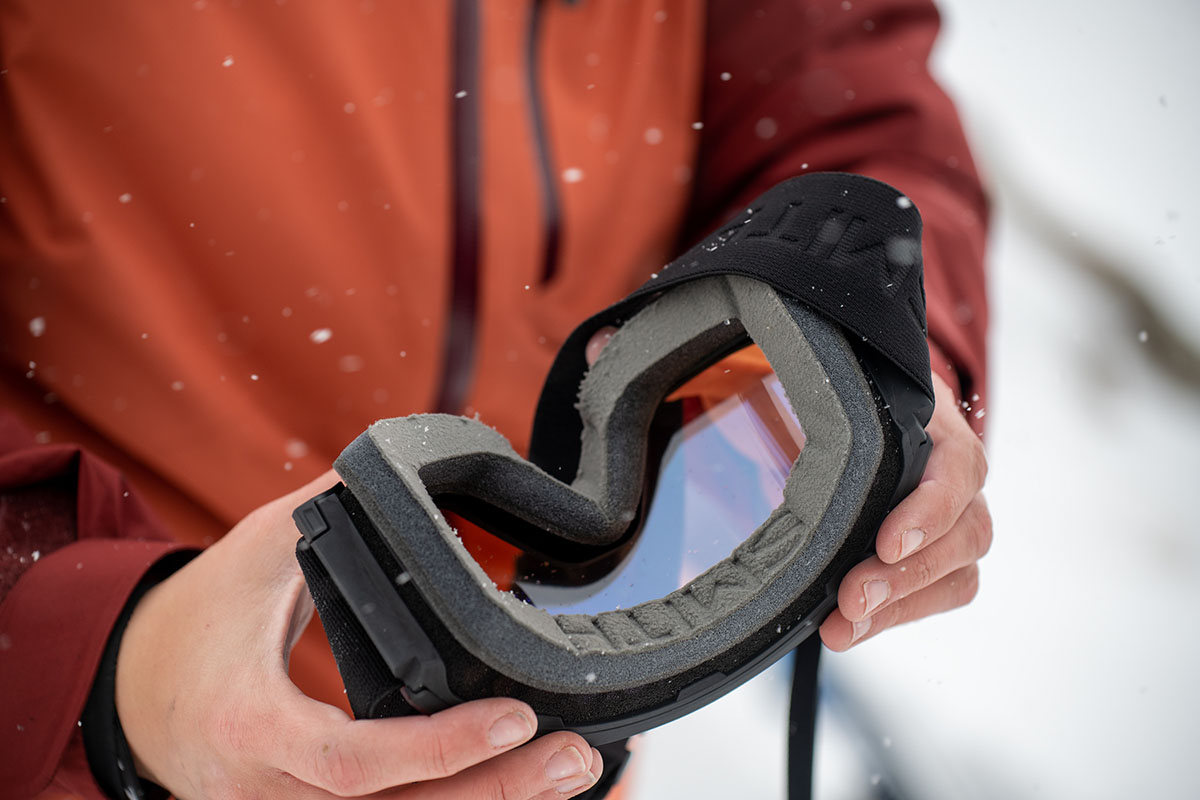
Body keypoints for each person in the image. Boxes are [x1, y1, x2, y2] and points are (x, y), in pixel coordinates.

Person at [0, 0, 991, 797]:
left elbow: (840, 99)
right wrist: (88, 648)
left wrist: (879, 336)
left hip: (564, 704)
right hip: (93, 719)